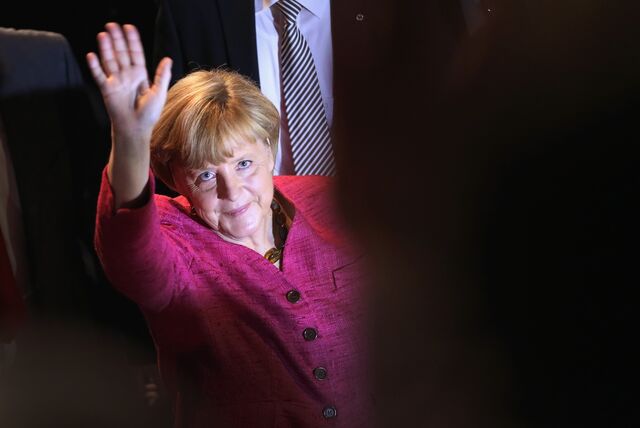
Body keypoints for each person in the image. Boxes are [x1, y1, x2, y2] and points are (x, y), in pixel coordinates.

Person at [86, 22, 372, 427]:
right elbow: (130, 248)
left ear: (268, 152)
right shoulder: (172, 237)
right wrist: (129, 137)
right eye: (205, 175)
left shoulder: (327, 200)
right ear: (176, 179)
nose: (232, 191)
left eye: (243, 164)